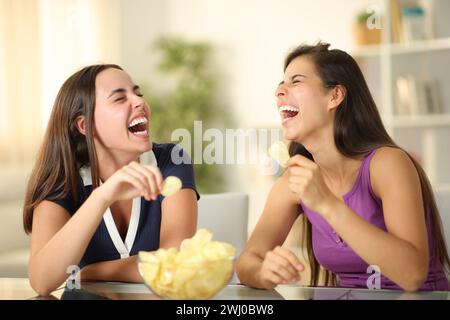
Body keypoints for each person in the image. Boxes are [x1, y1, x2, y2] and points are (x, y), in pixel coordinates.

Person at [236, 43, 450, 292]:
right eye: (280, 84)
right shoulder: (294, 182)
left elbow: (412, 275)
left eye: (295, 82)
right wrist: (263, 273)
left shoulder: (387, 164)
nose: (279, 92)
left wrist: (326, 204)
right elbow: (247, 261)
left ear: (335, 96)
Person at [23, 64, 199, 296]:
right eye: (119, 98)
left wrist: (89, 271)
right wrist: (102, 196)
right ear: (85, 125)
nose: (138, 102)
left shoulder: (171, 160)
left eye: (138, 93)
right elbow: (43, 281)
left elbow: (173, 263)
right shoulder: (64, 180)